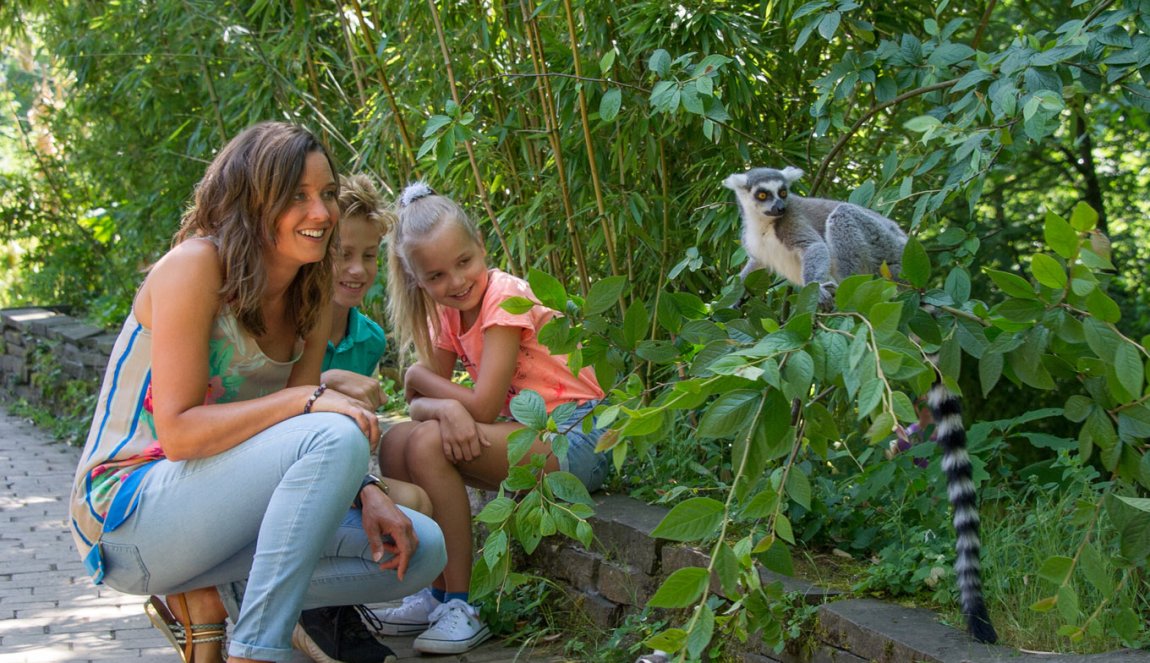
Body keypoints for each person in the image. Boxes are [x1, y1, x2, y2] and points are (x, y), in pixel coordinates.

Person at [68, 122, 446, 663]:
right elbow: (178, 432)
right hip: (127, 518)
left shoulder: (311, 293)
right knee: (333, 429)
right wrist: (309, 400)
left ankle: (221, 598)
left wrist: (365, 490)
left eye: (327, 195)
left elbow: (299, 439)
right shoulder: (193, 268)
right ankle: (258, 650)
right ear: (251, 202)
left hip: (218, 521)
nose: (322, 214)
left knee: (419, 547)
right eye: (298, 196)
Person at [372, 182, 610, 655]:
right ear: (417, 279)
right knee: (396, 444)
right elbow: (418, 403)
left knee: (426, 444)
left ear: (482, 248)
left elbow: (477, 406)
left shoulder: (504, 297)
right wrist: (438, 403)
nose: (456, 282)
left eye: (464, 262)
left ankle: (460, 604)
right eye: (437, 275)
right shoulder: (448, 314)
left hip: (577, 434)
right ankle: (432, 590)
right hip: (528, 433)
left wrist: (424, 382)